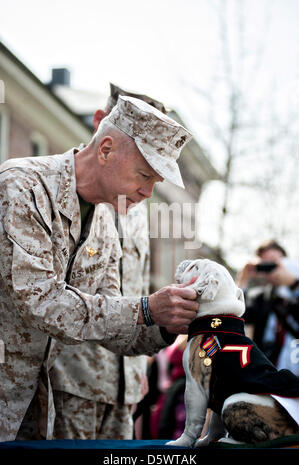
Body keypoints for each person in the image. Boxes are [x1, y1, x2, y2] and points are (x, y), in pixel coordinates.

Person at [0, 95, 199, 441]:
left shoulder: (105, 221)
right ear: (106, 149)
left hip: (38, 413)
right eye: (144, 174)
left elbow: (112, 322)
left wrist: (169, 323)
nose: (149, 192)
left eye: (157, 182)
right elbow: (42, 303)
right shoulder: (22, 187)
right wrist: (147, 308)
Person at [49, 85, 168, 440]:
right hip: (73, 377)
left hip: (125, 384)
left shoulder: (138, 209)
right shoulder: (67, 190)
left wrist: (137, 370)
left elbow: (137, 287)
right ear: (102, 123)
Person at [237, 239, 299, 375]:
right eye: (265, 263)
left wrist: (294, 284)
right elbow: (236, 315)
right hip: (269, 374)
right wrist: (243, 280)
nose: (271, 268)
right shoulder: (259, 298)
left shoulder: (295, 291)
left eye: (275, 262)